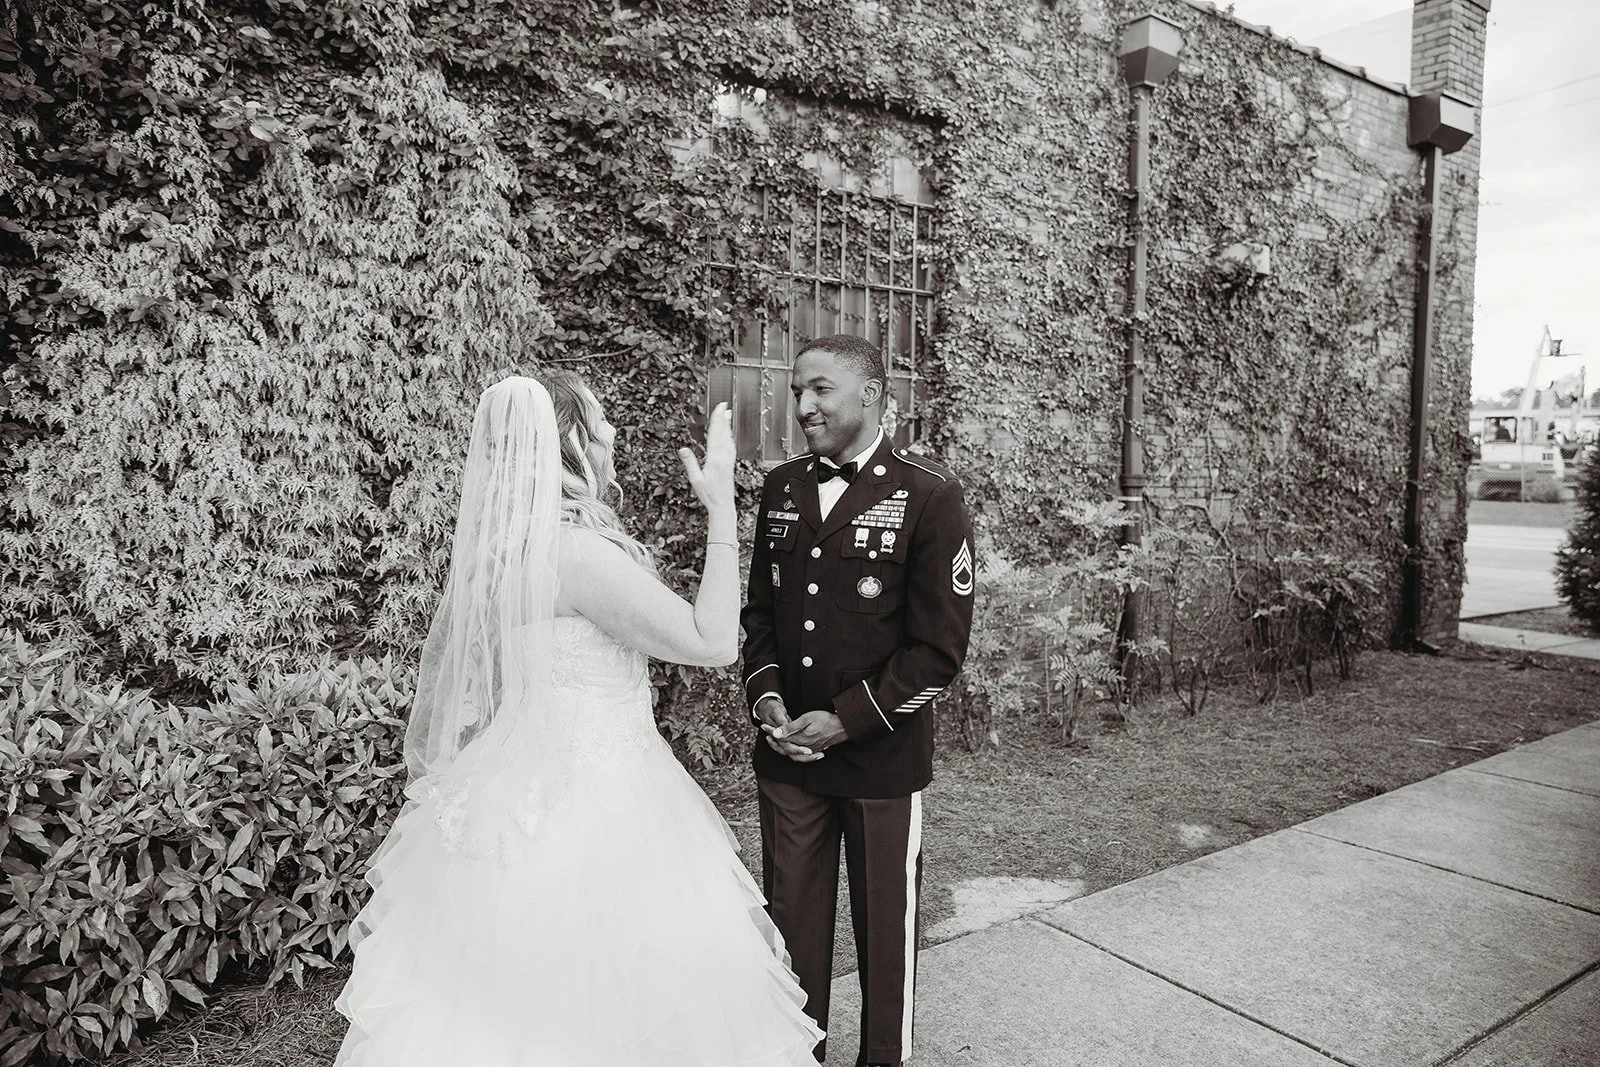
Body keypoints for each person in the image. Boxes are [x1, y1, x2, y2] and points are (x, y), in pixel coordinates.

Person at [334, 371, 823, 1066]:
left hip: (517, 790)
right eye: (599, 423)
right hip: (606, 803)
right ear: (568, 443)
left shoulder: (506, 554)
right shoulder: (577, 555)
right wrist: (721, 506)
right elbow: (712, 641)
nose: (613, 433)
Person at [740, 335, 975, 1067]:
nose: (803, 405)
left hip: (881, 760)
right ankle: (795, 1055)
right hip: (791, 763)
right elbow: (760, 617)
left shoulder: (931, 495)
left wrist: (847, 719)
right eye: (798, 390)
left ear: (869, 395)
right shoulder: (780, 487)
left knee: (885, 934)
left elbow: (939, 649)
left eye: (820, 390)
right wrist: (769, 701)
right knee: (792, 932)